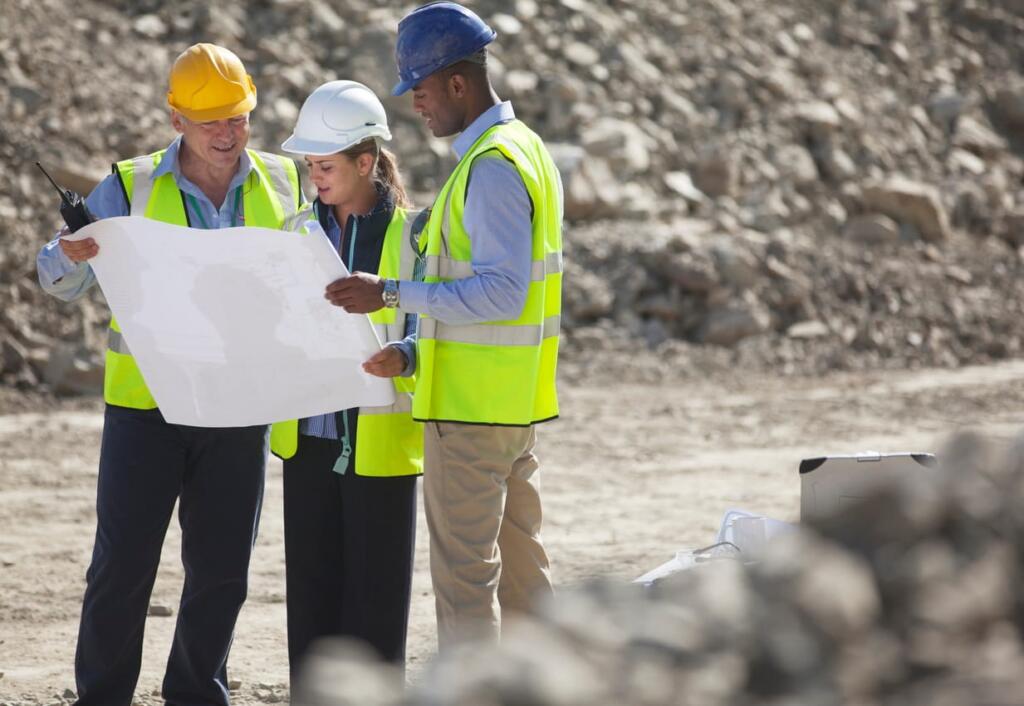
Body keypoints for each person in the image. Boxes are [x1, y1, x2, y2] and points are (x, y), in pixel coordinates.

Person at [35, 43, 302, 706]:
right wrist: (71, 255)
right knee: (122, 570)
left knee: (221, 575)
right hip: (145, 411)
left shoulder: (286, 183)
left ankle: (195, 693)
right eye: (210, 120)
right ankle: (103, 698)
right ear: (176, 119)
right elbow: (56, 278)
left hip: (239, 408)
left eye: (237, 118)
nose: (226, 133)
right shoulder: (131, 185)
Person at [326, 2, 564, 647]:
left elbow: (502, 293)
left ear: (458, 84)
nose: (416, 106)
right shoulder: (524, 149)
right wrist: (410, 347)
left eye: (422, 90)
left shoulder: (489, 166)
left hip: (471, 415)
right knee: (523, 576)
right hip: (511, 406)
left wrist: (391, 293)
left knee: (465, 586)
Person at [268, 80, 426, 675]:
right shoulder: (294, 232)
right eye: (310, 165)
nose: (316, 178)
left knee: (375, 613)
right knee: (310, 610)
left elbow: (432, 327)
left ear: (366, 162)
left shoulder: (413, 235)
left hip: (380, 450)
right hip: (307, 443)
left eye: (326, 165)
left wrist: (404, 356)